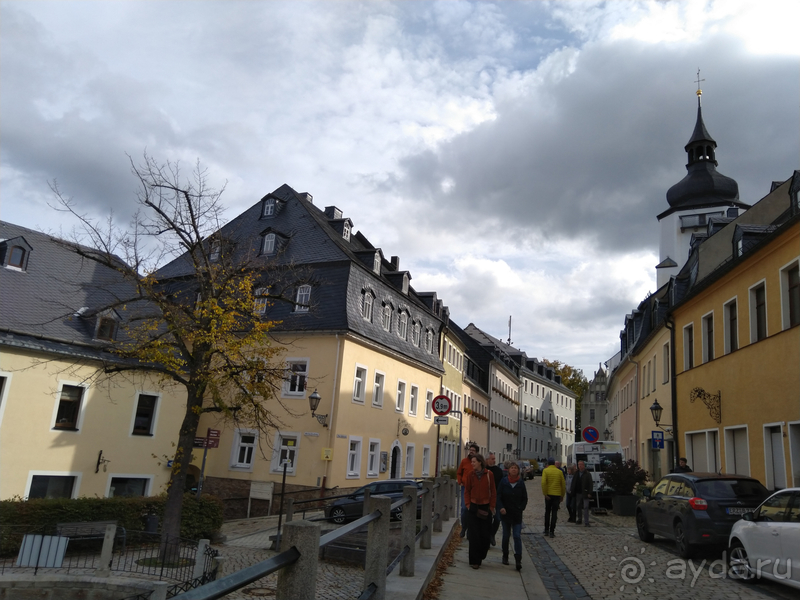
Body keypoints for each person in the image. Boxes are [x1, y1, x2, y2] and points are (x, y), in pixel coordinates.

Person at [464, 453, 496, 569]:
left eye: (474, 462)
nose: (472, 464)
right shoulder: (470, 475)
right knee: (474, 535)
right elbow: (466, 490)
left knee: (485, 535)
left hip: (485, 507)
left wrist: (492, 506)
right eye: (471, 462)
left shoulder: (489, 474)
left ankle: (481, 555)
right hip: (473, 507)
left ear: (480, 462)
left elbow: (493, 491)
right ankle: (474, 561)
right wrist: (468, 504)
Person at [498, 460, 528, 571]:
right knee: (506, 536)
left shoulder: (520, 483)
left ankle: (518, 559)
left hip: (516, 514)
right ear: (509, 470)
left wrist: (521, 507)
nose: (514, 469)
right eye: (512, 468)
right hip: (505, 513)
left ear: (518, 470)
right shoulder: (504, 482)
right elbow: (499, 496)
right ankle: (505, 555)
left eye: (515, 468)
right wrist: (501, 507)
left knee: (516, 536)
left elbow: (525, 498)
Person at [457, 443, 480, 536]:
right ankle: (464, 528)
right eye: (470, 450)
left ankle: (471, 530)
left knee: (473, 509)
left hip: (474, 489)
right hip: (464, 487)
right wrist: (460, 481)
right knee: (464, 508)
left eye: (473, 450)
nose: (471, 451)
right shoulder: (464, 461)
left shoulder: (478, 462)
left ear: (477, 452)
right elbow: (459, 473)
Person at [540, 457, 565, 538]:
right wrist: (562, 495)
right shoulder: (559, 472)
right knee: (554, 513)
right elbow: (563, 484)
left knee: (547, 512)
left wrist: (545, 493)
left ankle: (546, 530)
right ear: (554, 463)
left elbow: (543, 483)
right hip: (557, 495)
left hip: (548, 495)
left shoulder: (545, 470)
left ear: (548, 463)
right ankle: (552, 531)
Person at [486, 453, 504, 546]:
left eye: (494, 459)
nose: (494, 460)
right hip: (485, 498)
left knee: (497, 519)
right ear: (487, 460)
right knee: (487, 519)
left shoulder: (498, 470)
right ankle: (486, 539)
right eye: (492, 459)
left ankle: (492, 534)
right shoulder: (484, 470)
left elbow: (502, 484)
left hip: (496, 497)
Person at [574, 460, 593, 526]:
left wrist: (590, 492)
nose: (580, 466)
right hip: (578, 492)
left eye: (581, 464)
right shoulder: (576, 473)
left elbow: (590, 484)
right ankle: (579, 519)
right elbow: (574, 482)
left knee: (586, 507)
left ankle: (586, 521)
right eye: (579, 464)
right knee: (578, 506)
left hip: (585, 492)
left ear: (584, 465)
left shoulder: (587, 474)